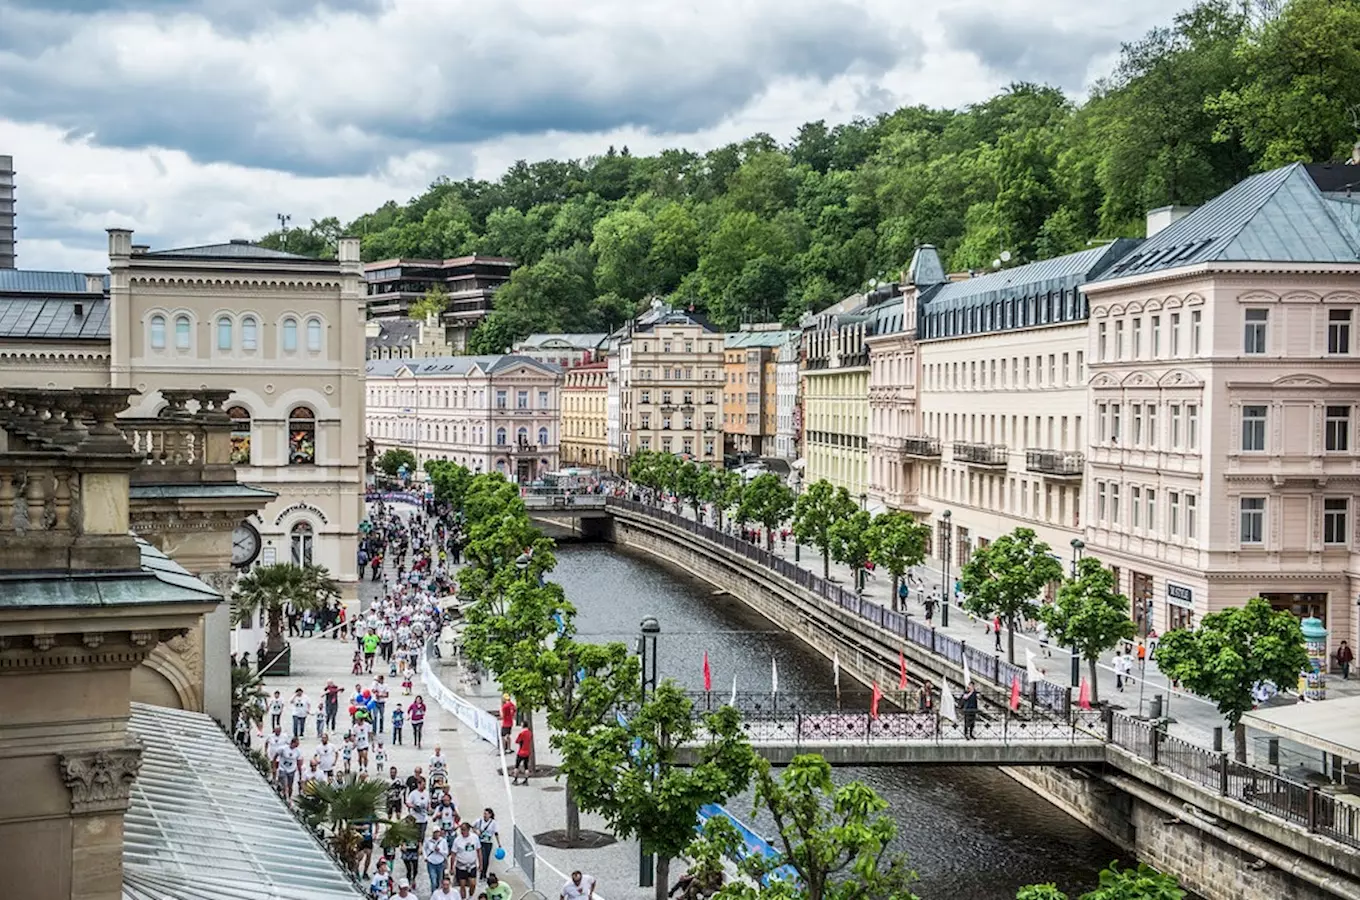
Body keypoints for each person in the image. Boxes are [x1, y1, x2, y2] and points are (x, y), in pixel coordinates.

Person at [450, 821, 481, 899]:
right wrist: (451, 867)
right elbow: (453, 854)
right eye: (461, 830)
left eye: (464, 830)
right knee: (462, 884)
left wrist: (481, 864)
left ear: (468, 830)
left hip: (472, 865)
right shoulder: (457, 840)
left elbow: (479, 851)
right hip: (461, 866)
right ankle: (463, 898)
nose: (462, 832)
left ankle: (470, 897)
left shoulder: (474, 837)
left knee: (473, 884)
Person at [424, 826, 450, 893]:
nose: (436, 834)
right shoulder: (428, 840)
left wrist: (440, 850)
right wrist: (425, 857)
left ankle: (438, 892)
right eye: (435, 832)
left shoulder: (443, 841)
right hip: (431, 862)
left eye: (437, 832)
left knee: (439, 880)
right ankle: (433, 895)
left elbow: (446, 852)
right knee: (433, 880)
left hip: (440, 863)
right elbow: (424, 848)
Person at [476, 807, 500, 879]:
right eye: (484, 813)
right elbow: (472, 826)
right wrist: (476, 832)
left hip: (488, 843)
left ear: (490, 815)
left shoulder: (493, 823)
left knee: (487, 859)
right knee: (483, 857)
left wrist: (499, 843)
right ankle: (481, 872)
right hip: (481, 842)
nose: (484, 815)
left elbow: (496, 833)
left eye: (486, 814)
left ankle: (484, 872)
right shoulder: (479, 821)